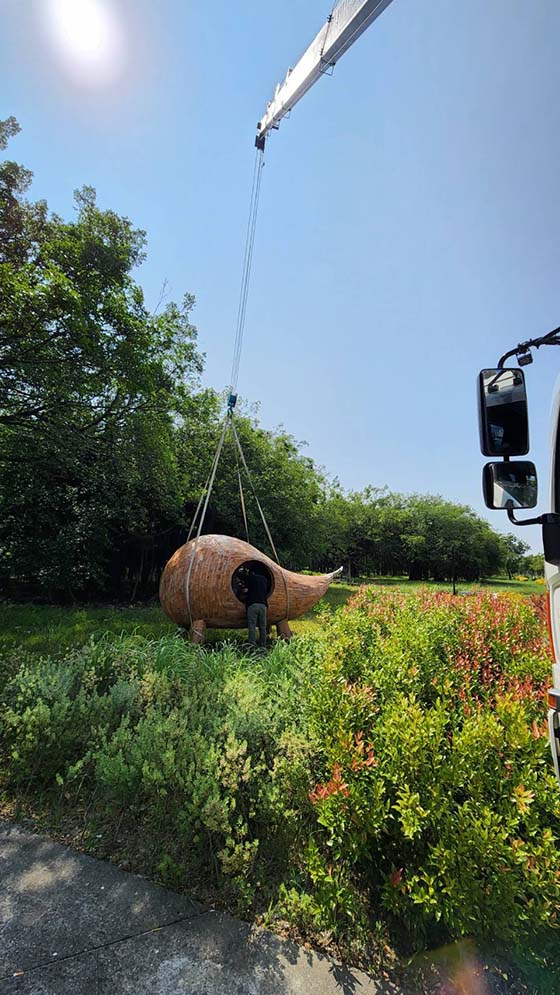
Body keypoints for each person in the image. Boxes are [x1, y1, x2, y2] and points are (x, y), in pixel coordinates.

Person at [242, 568, 269, 649]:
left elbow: (245, 590)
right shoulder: (265, 580)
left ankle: (252, 645)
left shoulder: (251, 578)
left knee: (252, 626)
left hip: (253, 605)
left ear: (252, 572)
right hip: (263, 605)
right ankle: (263, 645)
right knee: (263, 627)